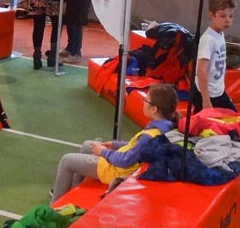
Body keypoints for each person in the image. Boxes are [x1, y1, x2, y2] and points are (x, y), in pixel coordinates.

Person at [51, 83, 179, 201]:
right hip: (122, 164)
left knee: (66, 161)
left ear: (154, 109)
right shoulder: (165, 126)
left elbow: (125, 161)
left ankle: (54, 206)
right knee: (87, 145)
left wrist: (104, 152)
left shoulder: (150, 135)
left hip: (115, 170)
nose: (143, 102)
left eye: (146, 100)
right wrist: (114, 144)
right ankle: (71, 193)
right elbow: (136, 148)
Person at [193, 0, 237, 112]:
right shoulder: (208, 39)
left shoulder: (219, 34)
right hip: (207, 94)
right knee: (204, 122)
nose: (227, 20)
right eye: (222, 16)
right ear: (211, 16)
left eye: (231, 16)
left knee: (233, 116)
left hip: (218, 91)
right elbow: (201, 70)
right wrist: (206, 99)